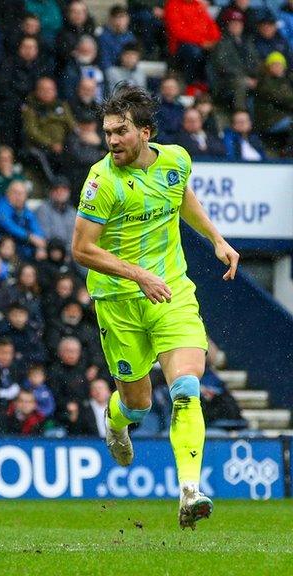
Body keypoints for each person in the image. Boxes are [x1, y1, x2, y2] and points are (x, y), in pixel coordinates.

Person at [72, 85, 240, 529]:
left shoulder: (177, 159)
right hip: (119, 301)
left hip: (171, 293)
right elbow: (82, 250)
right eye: (107, 132)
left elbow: (180, 195)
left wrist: (216, 238)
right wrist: (138, 275)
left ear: (145, 132)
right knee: (139, 404)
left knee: (186, 387)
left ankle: (189, 491)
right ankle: (116, 421)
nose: (111, 140)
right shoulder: (101, 181)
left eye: (120, 131)